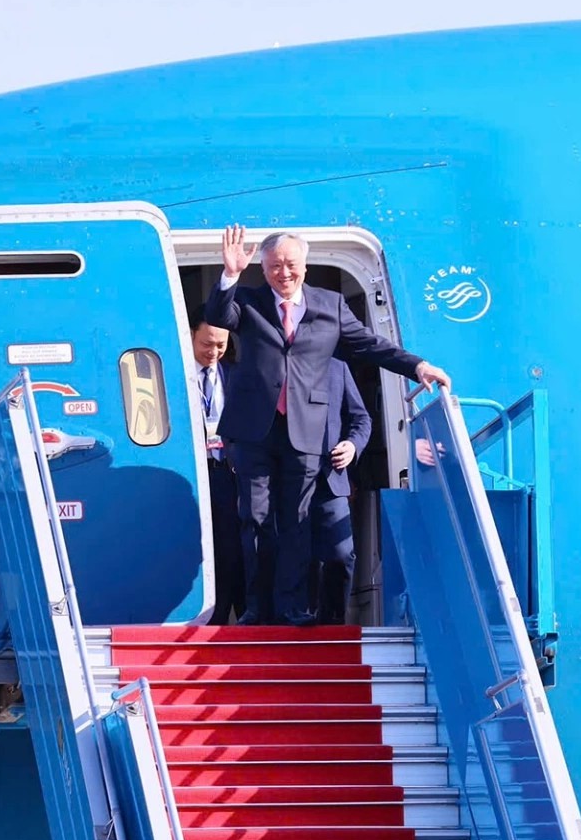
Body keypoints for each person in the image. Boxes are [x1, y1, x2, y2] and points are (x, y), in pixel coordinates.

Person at [205, 225, 451, 624]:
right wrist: (230, 274)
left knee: (297, 522)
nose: (284, 273)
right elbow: (218, 315)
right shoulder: (248, 302)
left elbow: (371, 345)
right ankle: (258, 608)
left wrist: (418, 366)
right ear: (263, 268)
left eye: (291, 264)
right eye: (274, 266)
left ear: (304, 265)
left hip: (307, 429)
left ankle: (291, 608)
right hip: (254, 431)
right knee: (256, 517)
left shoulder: (331, 305)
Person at [190, 316, 247, 623]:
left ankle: (224, 618)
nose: (213, 352)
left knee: (229, 547)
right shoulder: (176, 376)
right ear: (191, 336)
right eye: (206, 344)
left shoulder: (235, 376)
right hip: (189, 472)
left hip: (226, 472)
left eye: (220, 345)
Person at [311, 359, 370, 626]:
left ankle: (333, 624)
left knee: (341, 553)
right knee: (297, 557)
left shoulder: (338, 368)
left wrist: (352, 445)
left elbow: (361, 418)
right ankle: (295, 622)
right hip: (287, 478)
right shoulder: (277, 362)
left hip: (330, 478)